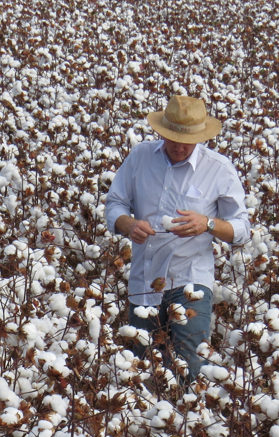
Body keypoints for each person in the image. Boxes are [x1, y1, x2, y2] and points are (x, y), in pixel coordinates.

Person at [105, 95, 250, 388]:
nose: (180, 147)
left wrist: (207, 224)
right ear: (161, 132)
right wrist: (129, 224)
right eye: (173, 139)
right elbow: (114, 204)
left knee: (191, 365)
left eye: (188, 141)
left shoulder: (219, 169)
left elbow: (242, 229)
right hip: (144, 281)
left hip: (191, 281)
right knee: (141, 368)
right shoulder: (140, 157)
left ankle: (187, 421)